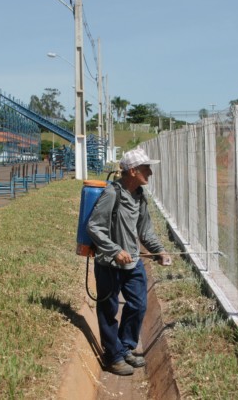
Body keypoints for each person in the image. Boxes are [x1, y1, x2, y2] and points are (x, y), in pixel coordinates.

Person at [86, 148, 172, 376]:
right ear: (132, 171)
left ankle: (125, 347)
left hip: (132, 261)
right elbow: (94, 226)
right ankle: (113, 356)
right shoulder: (112, 194)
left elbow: (145, 231)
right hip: (109, 263)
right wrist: (114, 250)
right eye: (146, 169)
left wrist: (159, 251)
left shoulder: (140, 196)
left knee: (139, 304)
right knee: (109, 309)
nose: (150, 173)